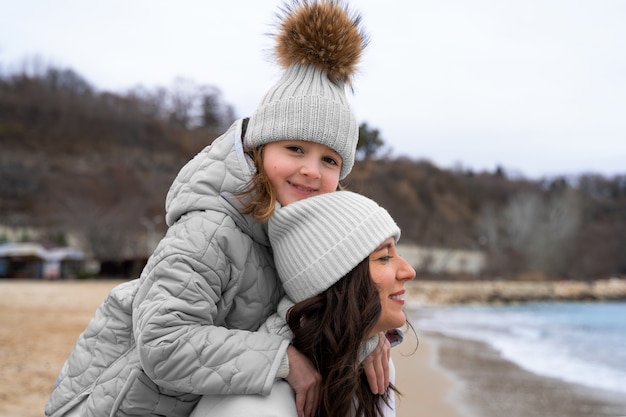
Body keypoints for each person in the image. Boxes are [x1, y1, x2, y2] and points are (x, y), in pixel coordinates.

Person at [44, 2, 391, 417]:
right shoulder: (210, 228)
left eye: (329, 161)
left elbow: (317, 314)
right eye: (295, 148)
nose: (310, 171)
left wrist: (368, 338)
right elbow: (163, 342)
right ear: (258, 151)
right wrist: (281, 360)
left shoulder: (305, 237)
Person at [190, 191, 417, 417]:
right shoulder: (255, 410)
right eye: (384, 257)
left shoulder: (373, 368)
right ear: (333, 281)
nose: (409, 271)